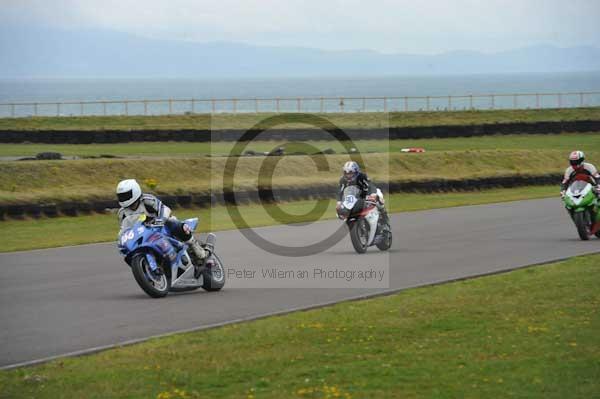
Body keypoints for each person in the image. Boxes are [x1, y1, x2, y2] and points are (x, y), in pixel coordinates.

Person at [116, 179, 206, 264]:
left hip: (160, 226)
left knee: (174, 223)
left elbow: (164, 209)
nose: (123, 198)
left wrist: (160, 220)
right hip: (143, 234)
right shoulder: (122, 213)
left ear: (135, 191)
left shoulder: (147, 200)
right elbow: (124, 230)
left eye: (126, 195)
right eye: (121, 196)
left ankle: (194, 245)